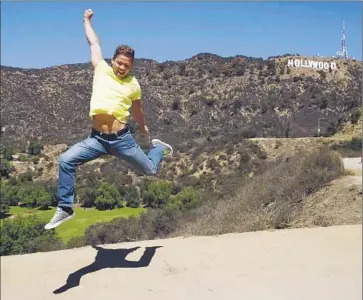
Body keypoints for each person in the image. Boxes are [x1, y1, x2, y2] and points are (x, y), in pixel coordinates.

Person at [44, 8, 173, 230]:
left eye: (127, 65)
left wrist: (144, 130)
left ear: (131, 67)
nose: (122, 67)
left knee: (150, 171)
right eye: (120, 62)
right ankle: (65, 207)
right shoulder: (101, 68)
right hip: (97, 140)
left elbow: (138, 109)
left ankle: (159, 149)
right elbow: (93, 43)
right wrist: (86, 21)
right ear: (113, 60)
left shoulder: (133, 84)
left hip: (122, 140)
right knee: (66, 160)